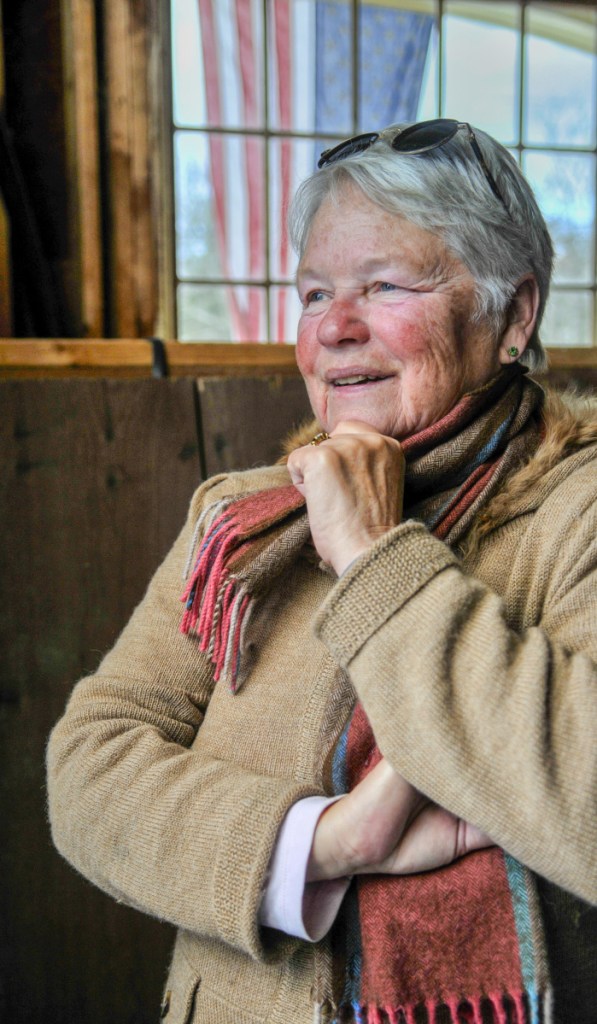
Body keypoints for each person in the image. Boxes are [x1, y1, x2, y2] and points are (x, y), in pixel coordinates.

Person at [47, 119, 597, 1024]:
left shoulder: (577, 510)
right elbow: (90, 770)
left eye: (383, 285)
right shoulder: (241, 518)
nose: (335, 328)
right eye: (312, 294)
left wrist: (375, 553)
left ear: (515, 313)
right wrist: (323, 843)